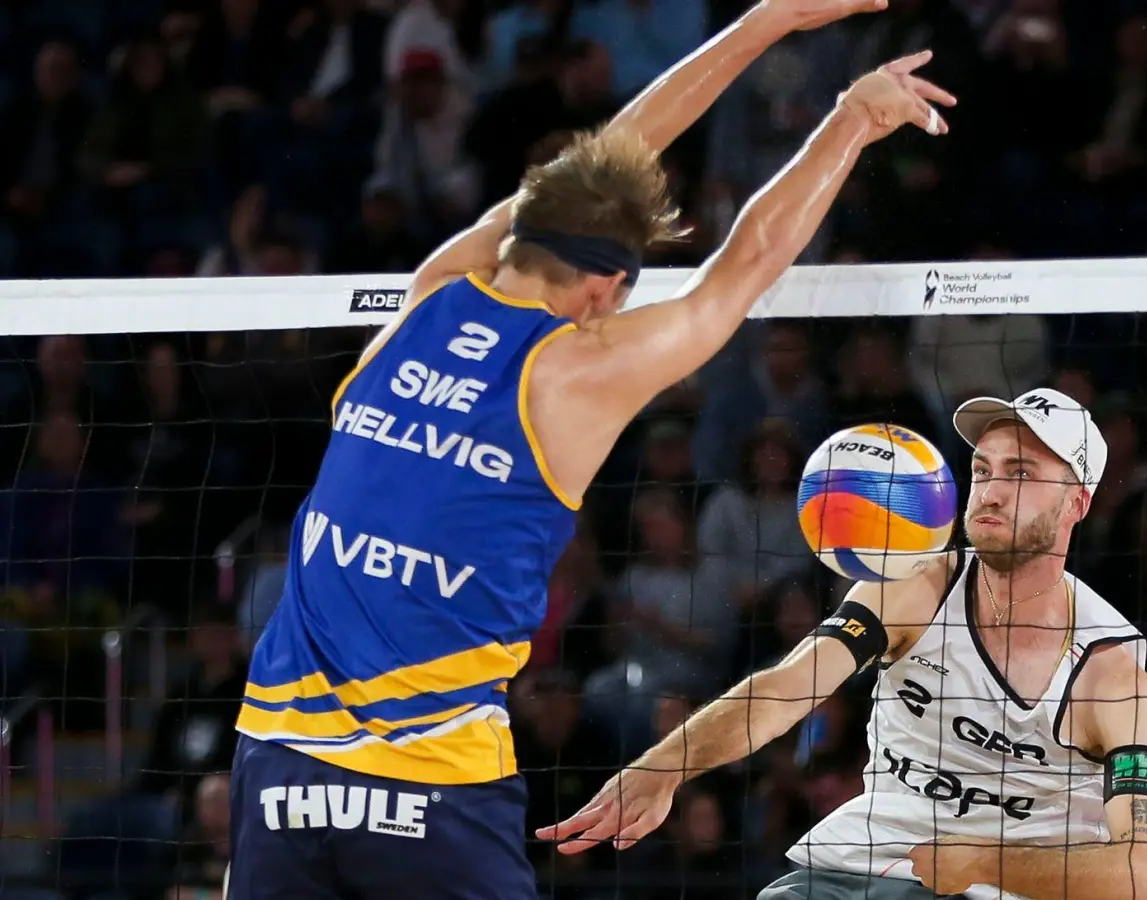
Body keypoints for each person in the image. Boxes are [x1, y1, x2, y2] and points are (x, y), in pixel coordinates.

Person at [224, 0, 956, 893]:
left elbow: (602, 160)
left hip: (277, 764)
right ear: (610, 284)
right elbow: (749, 262)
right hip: (432, 781)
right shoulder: (580, 371)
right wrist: (854, 118)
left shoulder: (433, 291)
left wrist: (762, 22)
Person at [541, 388, 1147, 900]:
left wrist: (985, 859)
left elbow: (1146, 879)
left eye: (1021, 472)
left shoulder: (1111, 679)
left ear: (1078, 502)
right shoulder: (914, 587)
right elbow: (785, 689)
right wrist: (664, 768)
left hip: (1010, 882)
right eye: (983, 469)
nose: (989, 489)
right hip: (864, 864)